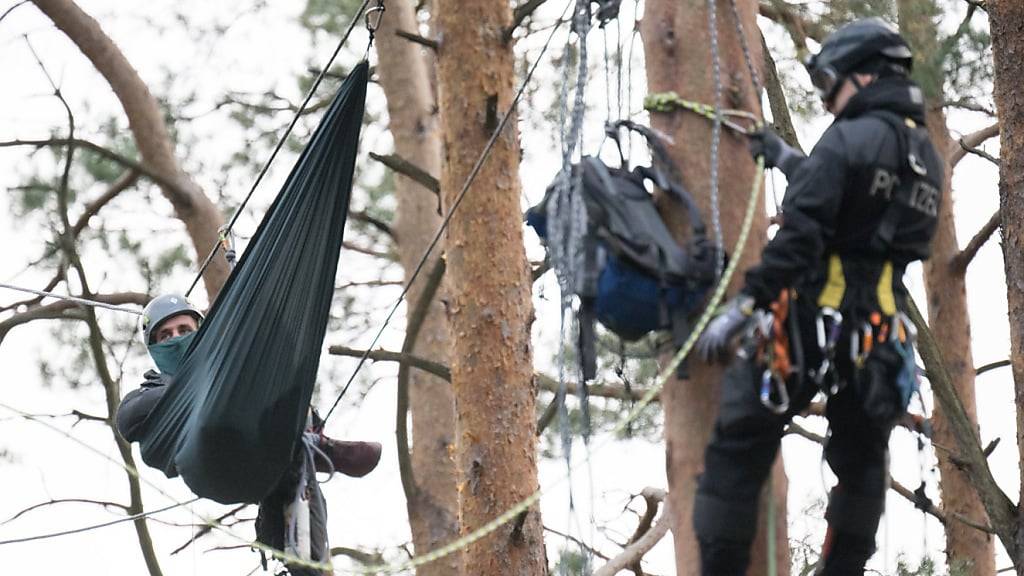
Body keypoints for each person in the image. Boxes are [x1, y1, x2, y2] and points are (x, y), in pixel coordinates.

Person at [692, 18, 941, 575]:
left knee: (738, 443)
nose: (827, 100)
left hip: (809, 325)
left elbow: (803, 234)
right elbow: (857, 211)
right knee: (862, 463)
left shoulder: (847, 139)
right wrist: (786, 159)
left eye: (831, 84)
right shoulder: (926, 159)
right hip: (879, 336)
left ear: (866, 76)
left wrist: (747, 305)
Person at [116, 294, 381, 574]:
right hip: (208, 463)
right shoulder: (148, 393)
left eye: (184, 330)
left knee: (295, 465)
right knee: (246, 418)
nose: (177, 339)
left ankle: (303, 551)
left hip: (260, 450)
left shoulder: (228, 372)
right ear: (154, 348)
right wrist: (195, 387)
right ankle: (309, 449)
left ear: (200, 334)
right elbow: (128, 418)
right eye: (166, 335)